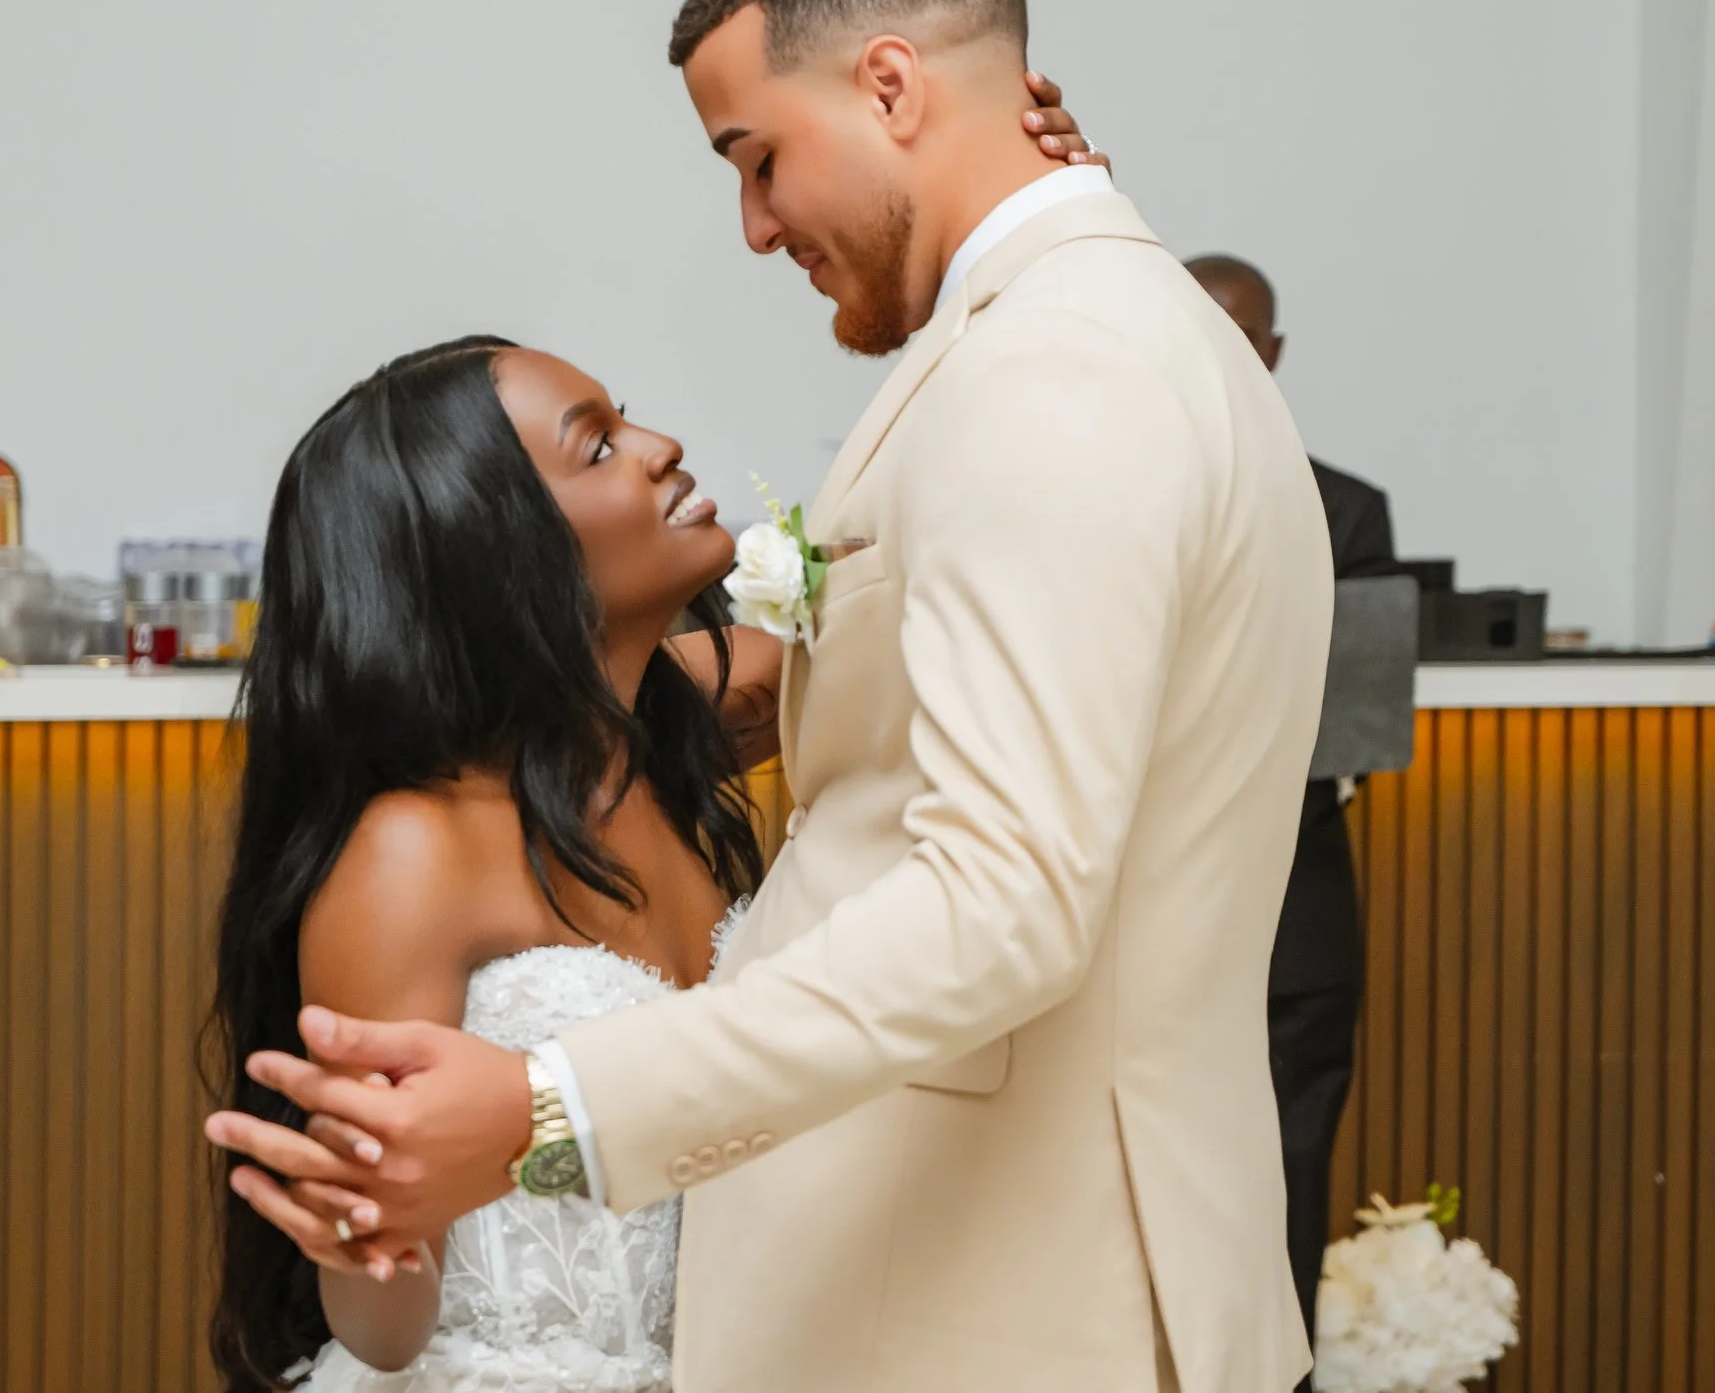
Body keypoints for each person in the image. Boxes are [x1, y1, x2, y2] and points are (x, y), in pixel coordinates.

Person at [210, 0, 1331, 1393]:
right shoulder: (1118, 336)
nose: (753, 225)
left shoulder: (1052, 368)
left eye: (759, 157)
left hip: (1014, 1307)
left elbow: (1003, 898)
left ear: (890, 86)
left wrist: (547, 1108)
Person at [208, 85, 1106, 1389]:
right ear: (495, 553)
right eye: (598, 446)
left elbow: (927, 590)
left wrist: (1025, 230)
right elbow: (385, 1330)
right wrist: (369, 1237)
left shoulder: (675, 718)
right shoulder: (413, 850)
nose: (660, 444)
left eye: (623, 416)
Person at [1187, 252, 1395, 1388]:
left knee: (1293, 1173)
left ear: (1272, 355)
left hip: (1293, 910)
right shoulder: (1096, 489)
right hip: (1135, 910)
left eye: (1243, 337)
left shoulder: (1348, 512)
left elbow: (1350, 718)